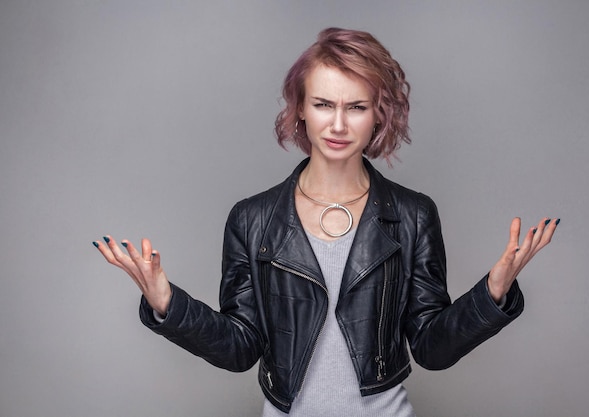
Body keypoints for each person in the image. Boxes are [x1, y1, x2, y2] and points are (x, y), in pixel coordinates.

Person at [93, 28, 559, 416]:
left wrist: (491, 295)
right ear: (298, 108)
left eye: (356, 107)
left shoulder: (414, 215)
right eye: (322, 104)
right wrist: (166, 304)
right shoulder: (253, 219)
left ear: (380, 114)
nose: (338, 124)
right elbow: (239, 347)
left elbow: (432, 349)